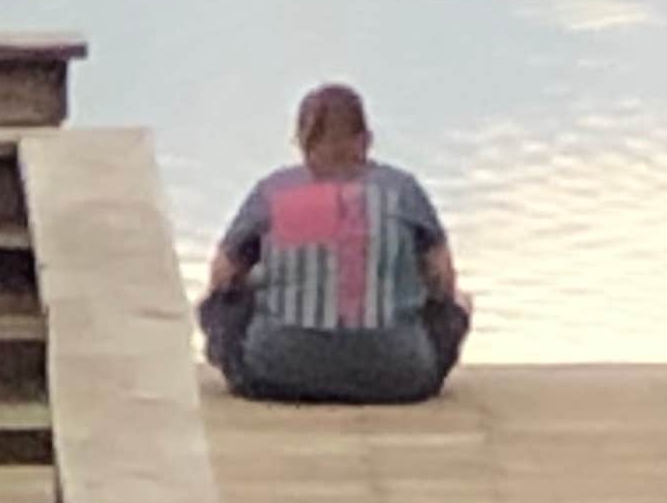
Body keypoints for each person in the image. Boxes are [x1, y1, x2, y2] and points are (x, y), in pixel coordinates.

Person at [201, 83, 472, 404]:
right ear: (366, 139)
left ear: (302, 140)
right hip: (400, 377)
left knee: (218, 303)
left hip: (273, 373)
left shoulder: (273, 192)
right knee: (458, 303)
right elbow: (443, 279)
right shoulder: (402, 191)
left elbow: (221, 275)